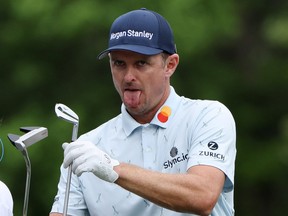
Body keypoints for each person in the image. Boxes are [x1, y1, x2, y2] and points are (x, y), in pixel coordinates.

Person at [50, 8, 236, 216]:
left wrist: (112, 168)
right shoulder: (88, 148)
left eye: (141, 63)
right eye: (119, 63)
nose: (128, 76)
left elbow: (203, 196)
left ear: (170, 65)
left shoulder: (207, 116)